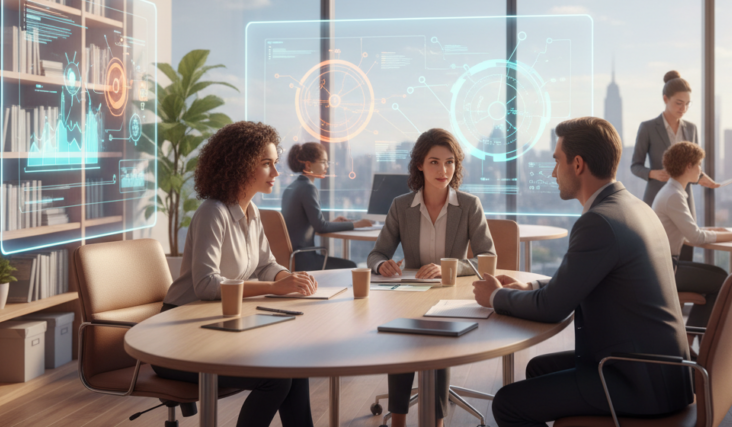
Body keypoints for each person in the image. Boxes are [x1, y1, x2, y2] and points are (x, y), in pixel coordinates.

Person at [473, 117, 693, 427]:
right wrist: (534, 285)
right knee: (538, 368)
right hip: (663, 372)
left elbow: (552, 308)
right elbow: (588, 278)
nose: (553, 172)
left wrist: (494, 296)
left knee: (508, 404)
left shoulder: (599, 222)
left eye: (556, 161)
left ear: (577, 164)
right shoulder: (632, 206)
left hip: (636, 380)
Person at [157, 121, 318, 427]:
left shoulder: (251, 212)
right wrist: (275, 289)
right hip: (179, 338)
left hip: (214, 328)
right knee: (276, 379)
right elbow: (206, 285)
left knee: (294, 366)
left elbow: (265, 264)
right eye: (266, 164)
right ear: (241, 166)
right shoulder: (212, 213)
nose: (275, 172)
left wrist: (286, 278)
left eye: (274, 163)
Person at [367, 128, 496, 427]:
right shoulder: (401, 206)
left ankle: (436, 422)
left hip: (449, 297)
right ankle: (397, 418)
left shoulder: (469, 205)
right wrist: (382, 266)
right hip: (409, 296)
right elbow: (377, 254)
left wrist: (449, 267)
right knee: (402, 335)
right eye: (435, 162)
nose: (443, 170)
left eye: (450, 162)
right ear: (419, 165)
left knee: (437, 338)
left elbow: (486, 258)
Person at [652, 142, 732, 334]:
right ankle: (698, 339)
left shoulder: (671, 191)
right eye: (699, 164)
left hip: (666, 264)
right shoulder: (674, 195)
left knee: (718, 276)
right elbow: (696, 237)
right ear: (688, 166)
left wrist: (716, 230)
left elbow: (687, 229)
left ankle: (694, 338)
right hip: (668, 269)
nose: (701, 170)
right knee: (722, 279)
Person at [632, 70, 720, 261]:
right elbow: (635, 166)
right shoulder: (648, 128)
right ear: (665, 99)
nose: (683, 108)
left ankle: (683, 289)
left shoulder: (691, 129)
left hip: (684, 199)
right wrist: (653, 173)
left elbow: (692, 166)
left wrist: (703, 178)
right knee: (656, 255)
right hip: (657, 197)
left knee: (686, 252)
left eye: (687, 104)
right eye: (678, 103)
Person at [281, 141, 372, 271]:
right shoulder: (308, 188)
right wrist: (356, 224)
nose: (326, 166)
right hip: (305, 260)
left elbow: (303, 226)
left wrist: (332, 223)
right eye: (323, 162)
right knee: (351, 266)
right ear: (308, 164)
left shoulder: (290, 188)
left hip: (291, 259)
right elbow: (321, 226)